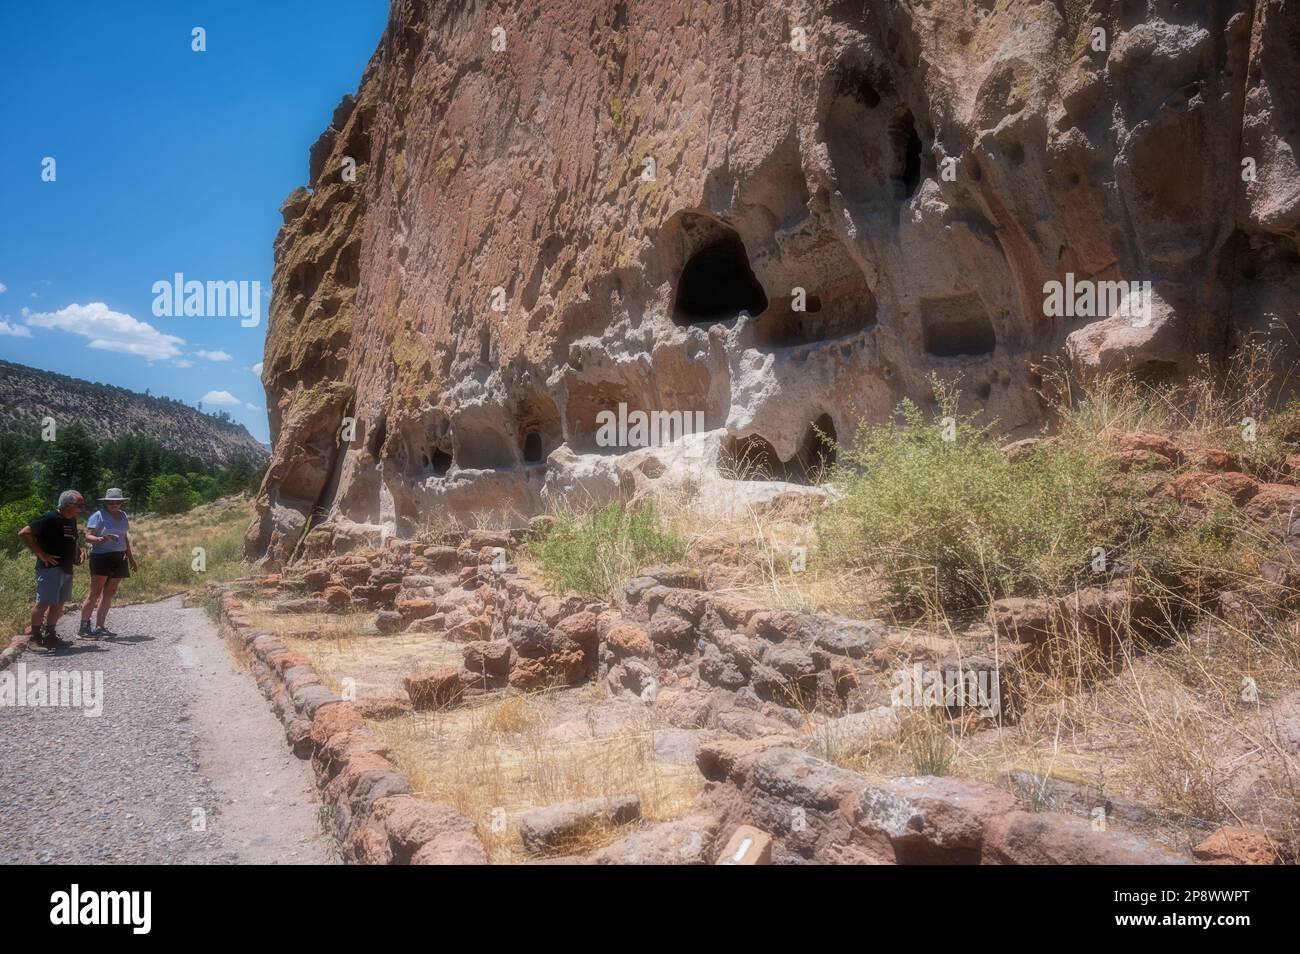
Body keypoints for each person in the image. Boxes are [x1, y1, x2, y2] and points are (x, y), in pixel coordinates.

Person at [17, 490, 85, 651]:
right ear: (68, 505)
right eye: (79, 505)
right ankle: (35, 639)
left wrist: (79, 551)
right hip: (50, 569)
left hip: (66, 568)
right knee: (43, 603)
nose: (81, 509)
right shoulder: (49, 518)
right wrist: (42, 554)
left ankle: (50, 636)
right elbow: (24, 533)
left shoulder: (71, 520)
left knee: (58, 603)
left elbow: (73, 539)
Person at [80, 488, 137, 639]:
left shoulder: (123, 515)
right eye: (111, 502)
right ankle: (84, 627)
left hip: (119, 556)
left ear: (121, 503)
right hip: (101, 556)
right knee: (95, 593)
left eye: (117, 502)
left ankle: (100, 626)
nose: (114, 504)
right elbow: (87, 536)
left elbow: (124, 537)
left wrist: (130, 557)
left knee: (109, 593)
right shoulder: (98, 515)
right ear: (106, 503)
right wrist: (98, 540)